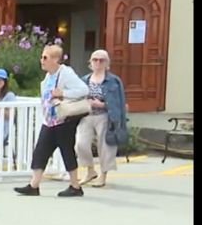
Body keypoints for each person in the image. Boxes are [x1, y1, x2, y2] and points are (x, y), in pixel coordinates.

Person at [14, 44, 89, 197]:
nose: (41, 60)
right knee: (41, 151)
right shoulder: (48, 76)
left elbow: (84, 90)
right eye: (42, 57)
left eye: (45, 57)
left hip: (64, 120)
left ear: (55, 59)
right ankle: (34, 185)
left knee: (67, 151)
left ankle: (75, 186)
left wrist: (63, 92)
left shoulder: (66, 73)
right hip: (49, 121)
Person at [75, 49, 128, 188]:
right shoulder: (84, 80)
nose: (98, 62)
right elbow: (78, 96)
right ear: (90, 63)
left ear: (107, 63)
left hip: (105, 116)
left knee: (105, 146)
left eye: (101, 60)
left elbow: (118, 102)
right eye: (95, 59)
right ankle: (90, 170)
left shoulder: (113, 81)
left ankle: (103, 175)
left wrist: (102, 104)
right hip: (86, 115)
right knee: (80, 144)